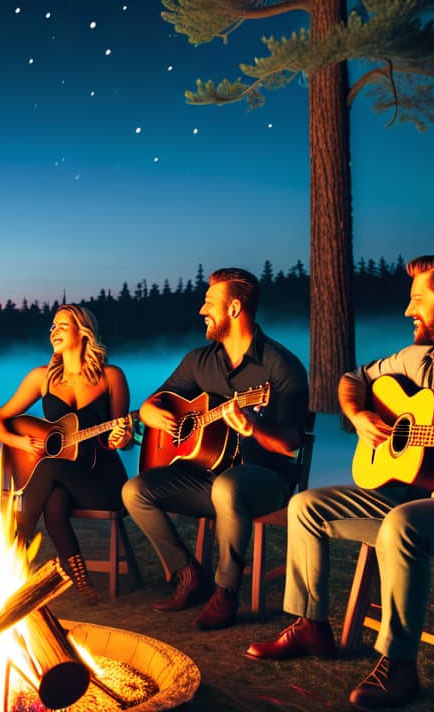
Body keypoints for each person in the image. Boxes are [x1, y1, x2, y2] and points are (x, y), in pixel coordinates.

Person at [246, 252, 434, 708]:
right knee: (306, 506)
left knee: (404, 524)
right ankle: (310, 625)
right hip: (416, 493)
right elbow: (354, 379)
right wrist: (361, 414)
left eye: (417, 299)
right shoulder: (417, 360)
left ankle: (399, 665)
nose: (407, 310)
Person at [123, 267, 308, 630]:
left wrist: (255, 428)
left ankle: (225, 592)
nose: (201, 311)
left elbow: (291, 443)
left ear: (235, 309)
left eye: (209, 303)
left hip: (265, 481)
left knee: (229, 487)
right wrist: (154, 415)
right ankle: (188, 573)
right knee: (135, 491)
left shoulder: (280, 366)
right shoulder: (199, 361)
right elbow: (153, 403)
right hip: (206, 476)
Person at [0, 304, 133, 604]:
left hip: (101, 481)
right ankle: (82, 582)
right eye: (52, 327)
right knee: (54, 502)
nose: (53, 331)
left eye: (62, 326)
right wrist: (21, 443)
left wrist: (123, 436)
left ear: (83, 332)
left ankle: (15, 549)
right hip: (62, 479)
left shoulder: (111, 376)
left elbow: (123, 437)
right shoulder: (42, 378)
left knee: (50, 468)